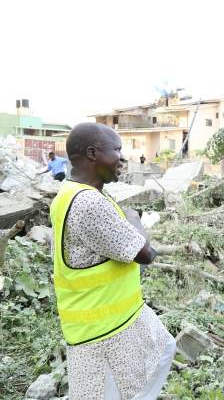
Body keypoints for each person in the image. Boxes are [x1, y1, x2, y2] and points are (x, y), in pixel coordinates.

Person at [50, 123, 175, 399]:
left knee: (159, 354)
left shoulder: (71, 194)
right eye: (117, 150)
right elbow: (145, 254)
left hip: (112, 325)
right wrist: (134, 220)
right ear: (93, 153)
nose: (122, 157)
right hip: (104, 335)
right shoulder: (89, 204)